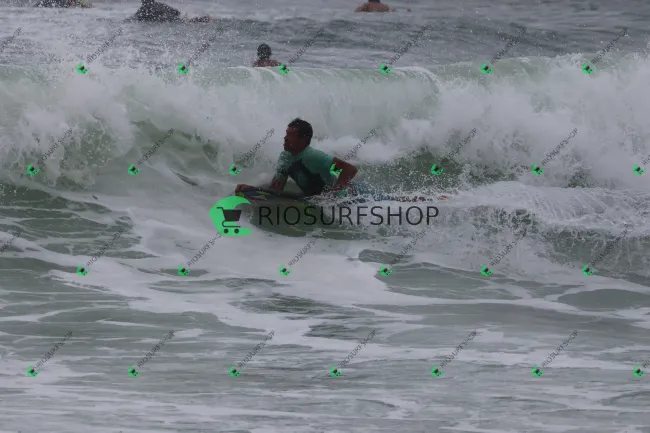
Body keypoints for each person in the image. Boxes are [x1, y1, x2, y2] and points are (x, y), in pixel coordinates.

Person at [258, 118, 429, 202]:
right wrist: (256, 192)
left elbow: (349, 169)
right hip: (321, 197)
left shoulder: (313, 156)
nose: (285, 138)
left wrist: (333, 196)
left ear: (303, 139)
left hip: (354, 196)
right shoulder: (285, 157)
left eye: (290, 135)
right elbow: (276, 188)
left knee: (394, 201)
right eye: (286, 134)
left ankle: (428, 199)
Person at [134, 0, 213, 23]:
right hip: (173, 19)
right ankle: (204, 19)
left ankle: (202, 20)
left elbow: (137, 19)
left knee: (186, 22)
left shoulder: (142, 11)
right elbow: (177, 12)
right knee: (187, 21)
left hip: (167, 21)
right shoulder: (160, 5)